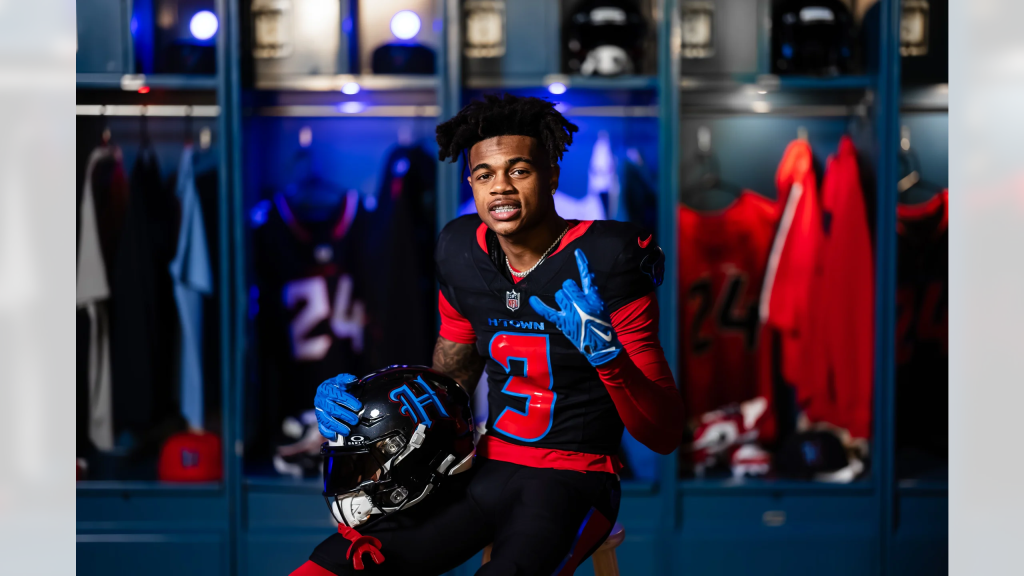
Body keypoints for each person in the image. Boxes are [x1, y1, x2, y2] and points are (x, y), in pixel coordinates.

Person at [292, 94, 684, 575]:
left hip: (574, 478)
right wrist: (360, 402)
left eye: (519, 171)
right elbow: (445, 388)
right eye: (484, 175)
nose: (500, 188)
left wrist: (608, 359)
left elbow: (664, 433)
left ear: (553, 176)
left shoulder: (608, 259)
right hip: (488, 467)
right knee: (336, 563)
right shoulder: (461, 250)